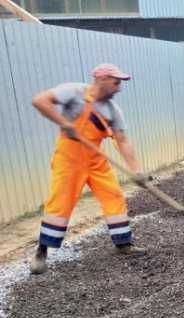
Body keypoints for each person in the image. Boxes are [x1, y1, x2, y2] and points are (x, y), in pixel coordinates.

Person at [29, 63, 147, 275]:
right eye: (116, 82)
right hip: (69, 158)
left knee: (114, 196)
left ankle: (123, 244)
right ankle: (41, 251)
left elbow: (122, 140)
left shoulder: (112, 110)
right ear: (101, 79)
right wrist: (64, 123)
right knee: (60, 205)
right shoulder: (74, 92)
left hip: (95, 161)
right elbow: (39, 101)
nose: (119, 87)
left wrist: (136, 170)